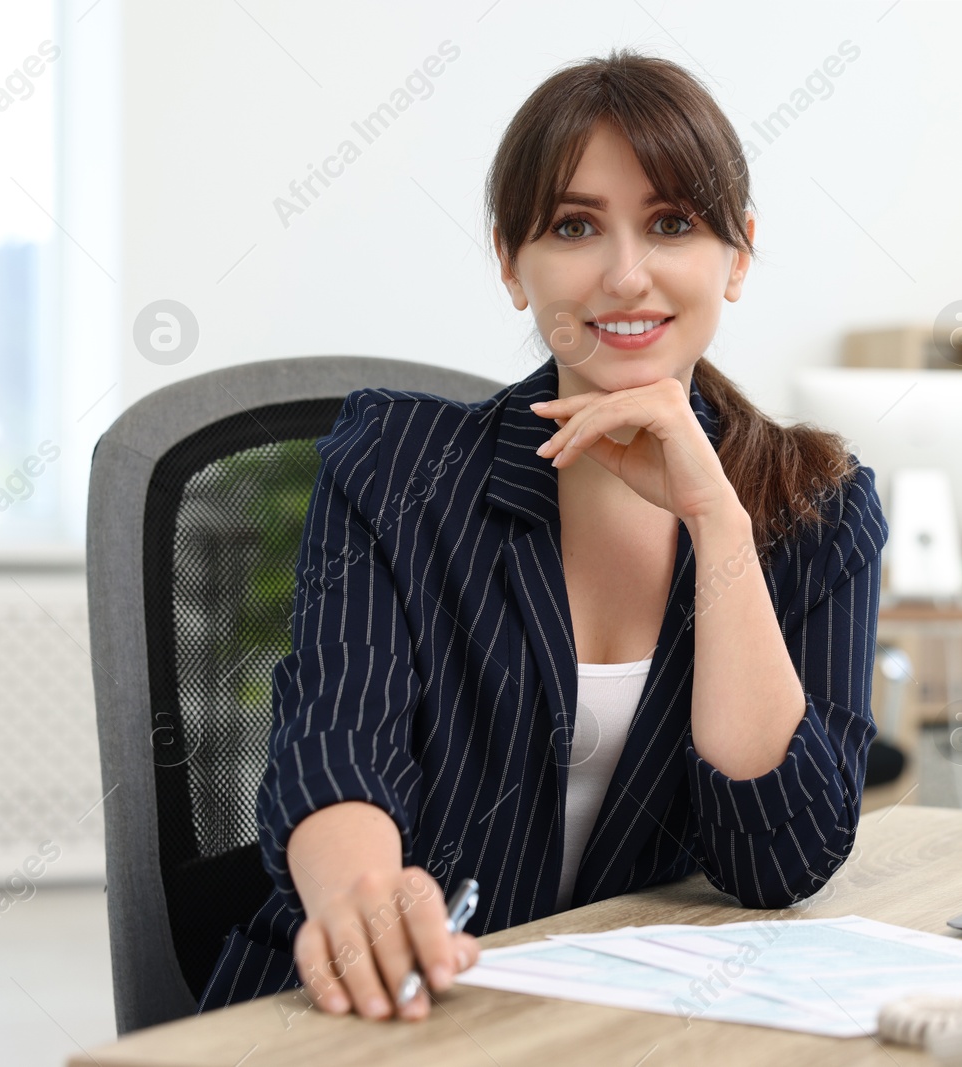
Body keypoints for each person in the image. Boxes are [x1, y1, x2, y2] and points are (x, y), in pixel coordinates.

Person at [196, 49, 889, 1022]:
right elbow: (337, 745)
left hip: (615, 1028)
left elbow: (779, 861)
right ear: (510, 264)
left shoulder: (817, 507)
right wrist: (364, 899)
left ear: (736, 258)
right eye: (573, 226)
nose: (625, 274)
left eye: (672, 223)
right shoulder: (397, 465)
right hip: (376, 1010)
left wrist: (715, 518)